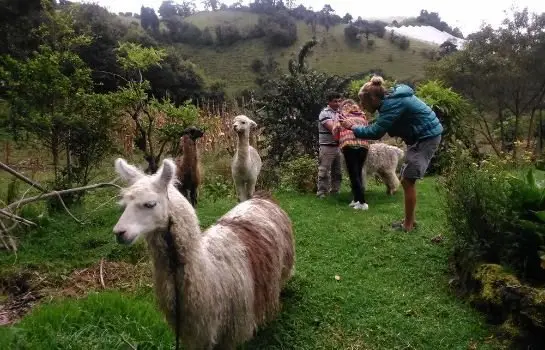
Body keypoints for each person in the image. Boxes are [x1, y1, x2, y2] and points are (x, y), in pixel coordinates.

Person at [340, 76, 443, 232]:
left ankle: (408, 225)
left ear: (373, 98)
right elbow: (381, 124)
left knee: (408, 181)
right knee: (406, 179)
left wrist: (352, 127)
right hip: (418, 138)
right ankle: (409, 221)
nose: (362, 105)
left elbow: (376, 132)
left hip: (426, 137)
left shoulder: (393, 104)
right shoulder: (391, 102)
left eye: (363, 101)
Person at [332, 99, 370, 210]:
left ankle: (362, 202)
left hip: (349, 145)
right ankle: (356, 199)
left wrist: (337, 139)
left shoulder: (342, 116)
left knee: (353, 174)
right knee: (358, 172)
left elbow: (335, 130)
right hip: (364, 146)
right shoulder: (362, 117)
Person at [316, 91, 343, 198]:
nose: (337, 103)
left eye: (339, 101)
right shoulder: (325, 113)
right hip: (327, 146)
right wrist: (346, 125)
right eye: (335, 101)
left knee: (338, 172)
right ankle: (321, 192)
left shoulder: (341, 112)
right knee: (324, 171)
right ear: (329, 102)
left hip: (339, 146)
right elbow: (333, 128)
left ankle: (335, 191)